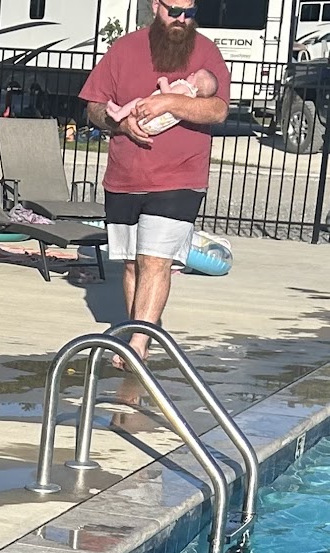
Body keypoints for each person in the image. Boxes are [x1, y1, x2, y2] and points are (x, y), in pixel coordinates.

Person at [78, 0, 230, 369]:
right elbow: (94, 106)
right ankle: (139, 328)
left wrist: (171, 102)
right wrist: (120, 124)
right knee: (132, 264)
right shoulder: (125, 49)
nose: (182, 19)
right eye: (174, 10)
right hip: (125, 177)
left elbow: (219, 110)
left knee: (155, 261)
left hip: (180, 176)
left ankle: (138, 344)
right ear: (155, 5)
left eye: (190, 11)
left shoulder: (205, 51)